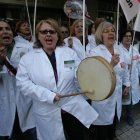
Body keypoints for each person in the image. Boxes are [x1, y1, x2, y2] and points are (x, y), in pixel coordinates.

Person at [16, 18, 98, 140]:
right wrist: (48, 95)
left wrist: (87, 79)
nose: (48, 34)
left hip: (71, 107)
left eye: (52, 31)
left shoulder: (69, 53)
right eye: (44, 32)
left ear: (57, 35)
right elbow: (23, 83)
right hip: (47, 109)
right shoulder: (27, 59)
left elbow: (77, 72)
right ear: (38, 36)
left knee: (79, 136)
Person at [89, 21, 130, 140]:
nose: (111, 33)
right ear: (101, 35)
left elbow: (124, 67)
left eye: (113, 30)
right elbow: (93, 77)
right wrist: (110, 65)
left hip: (116, 97)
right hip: (103, 98)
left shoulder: (119, 49)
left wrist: (127, 84)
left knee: (113, 123)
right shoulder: (95, 52)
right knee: (102, 131)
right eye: (106, 31)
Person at [10, 20, 37, 140]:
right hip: (23, 91)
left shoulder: (35, 41)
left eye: (28, 25)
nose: (26, 26)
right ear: (18, 29)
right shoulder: (16, 44)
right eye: (23, 25)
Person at [0, 19, 21, 140]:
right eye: (0, 29)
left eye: (7, 29)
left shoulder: (25, 48)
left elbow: (24, 75)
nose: (5, 32)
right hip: (4, 104)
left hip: (24, 104)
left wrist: (5, 63)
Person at [119, 29, 140, 126]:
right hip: (122, 80)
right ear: (122, 38)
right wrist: (126, 66)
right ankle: (117, 117)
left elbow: (139, 64)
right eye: (126, 36)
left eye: (130, 36)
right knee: (120, 99)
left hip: (134, 79)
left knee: (130, 100)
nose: (128, 38)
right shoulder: (118, 49)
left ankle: (129, 116)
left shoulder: (134, 50)